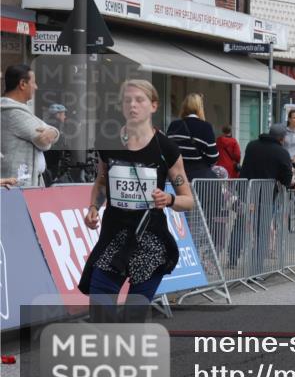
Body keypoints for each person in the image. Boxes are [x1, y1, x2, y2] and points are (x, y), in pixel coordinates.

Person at [81, 80, 193, 318]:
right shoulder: (108, 142)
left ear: (153, 106)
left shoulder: (166, 148)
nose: (133, 106)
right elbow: (102, 181)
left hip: (150, 241)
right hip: (114, 237)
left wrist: (169, 199)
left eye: (139, 100)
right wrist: (93, 207)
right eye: (127, 100)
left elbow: (188, 200)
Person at [229, 123, 295, 266]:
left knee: (241, 224)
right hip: (266, 196)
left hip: (245, 191)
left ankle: (232, 257)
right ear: (282, 138)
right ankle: (256, 266)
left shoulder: (252, 146)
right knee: (262, 232)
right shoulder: (281, 152)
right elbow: (287, 177)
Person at [1, 64, 59, 187]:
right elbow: (43, 141)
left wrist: (53, 132)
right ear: (22, 84)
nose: (36, 87)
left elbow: (49, 133)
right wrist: (53, 133)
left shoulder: (13, 110)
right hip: (18, 187)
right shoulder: (13, 113)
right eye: (34, 82)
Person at [166, 93, 219, 182]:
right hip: (199, 179)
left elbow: (167, 151)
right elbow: (213, 157)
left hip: (176, 177)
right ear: (200, 108)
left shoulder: (173, 125)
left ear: (184, 106)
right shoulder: (205, 127)